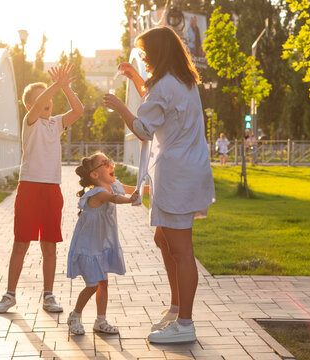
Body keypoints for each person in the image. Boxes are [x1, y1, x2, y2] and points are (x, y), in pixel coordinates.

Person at [103, 26, 215, 344]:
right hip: (185, 171)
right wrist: (136, 80)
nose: (145, 60)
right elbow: (156, 103)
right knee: (163, 239)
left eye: (146, 54)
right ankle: (177, 309)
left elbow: (143, 127)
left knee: (181, 249)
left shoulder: (166, 85)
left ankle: (185, 322)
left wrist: (119, 107)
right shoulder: (182, 81)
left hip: (177, 175)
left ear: (158, 54)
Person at [0, 63, 84, 314]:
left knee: (50, 245)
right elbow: (37, 105)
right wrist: (54, 85)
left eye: (51, 98)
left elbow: (79, 109)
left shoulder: (56, 123)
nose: (49, 101)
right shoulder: (29, 121)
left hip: (52, 189)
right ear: (30, 105)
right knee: (21, 242)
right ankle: (10, 295)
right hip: (30, 188)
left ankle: (48, 295)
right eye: (43, 97)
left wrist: (65, 87)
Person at [66, 153, 138, 335]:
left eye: (109, 161)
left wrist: (153, 188)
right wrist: (129, 200)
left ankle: (101, 320)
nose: (110, 164)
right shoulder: (98, 193)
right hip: (88, 248)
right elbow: (115, 198)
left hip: (100, 247)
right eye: (104, 163)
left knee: (103, 284)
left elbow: (131, 189)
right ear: (95, 175)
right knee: (92, 285)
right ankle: (75, 315)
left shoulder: (113, 185)